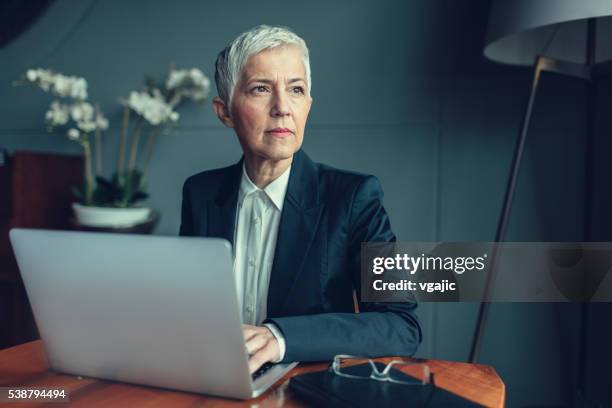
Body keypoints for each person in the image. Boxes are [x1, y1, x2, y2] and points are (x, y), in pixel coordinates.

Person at [180, 25, 421, 374]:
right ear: (225, 112)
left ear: (307, 105)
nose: (281, 107)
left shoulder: (354, 198)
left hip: (305, 389)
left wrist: (279, 337)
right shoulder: (199, 193)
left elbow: (400, 325)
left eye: (295, 89)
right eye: (261, 89)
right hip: (213, 383)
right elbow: (188, 310)